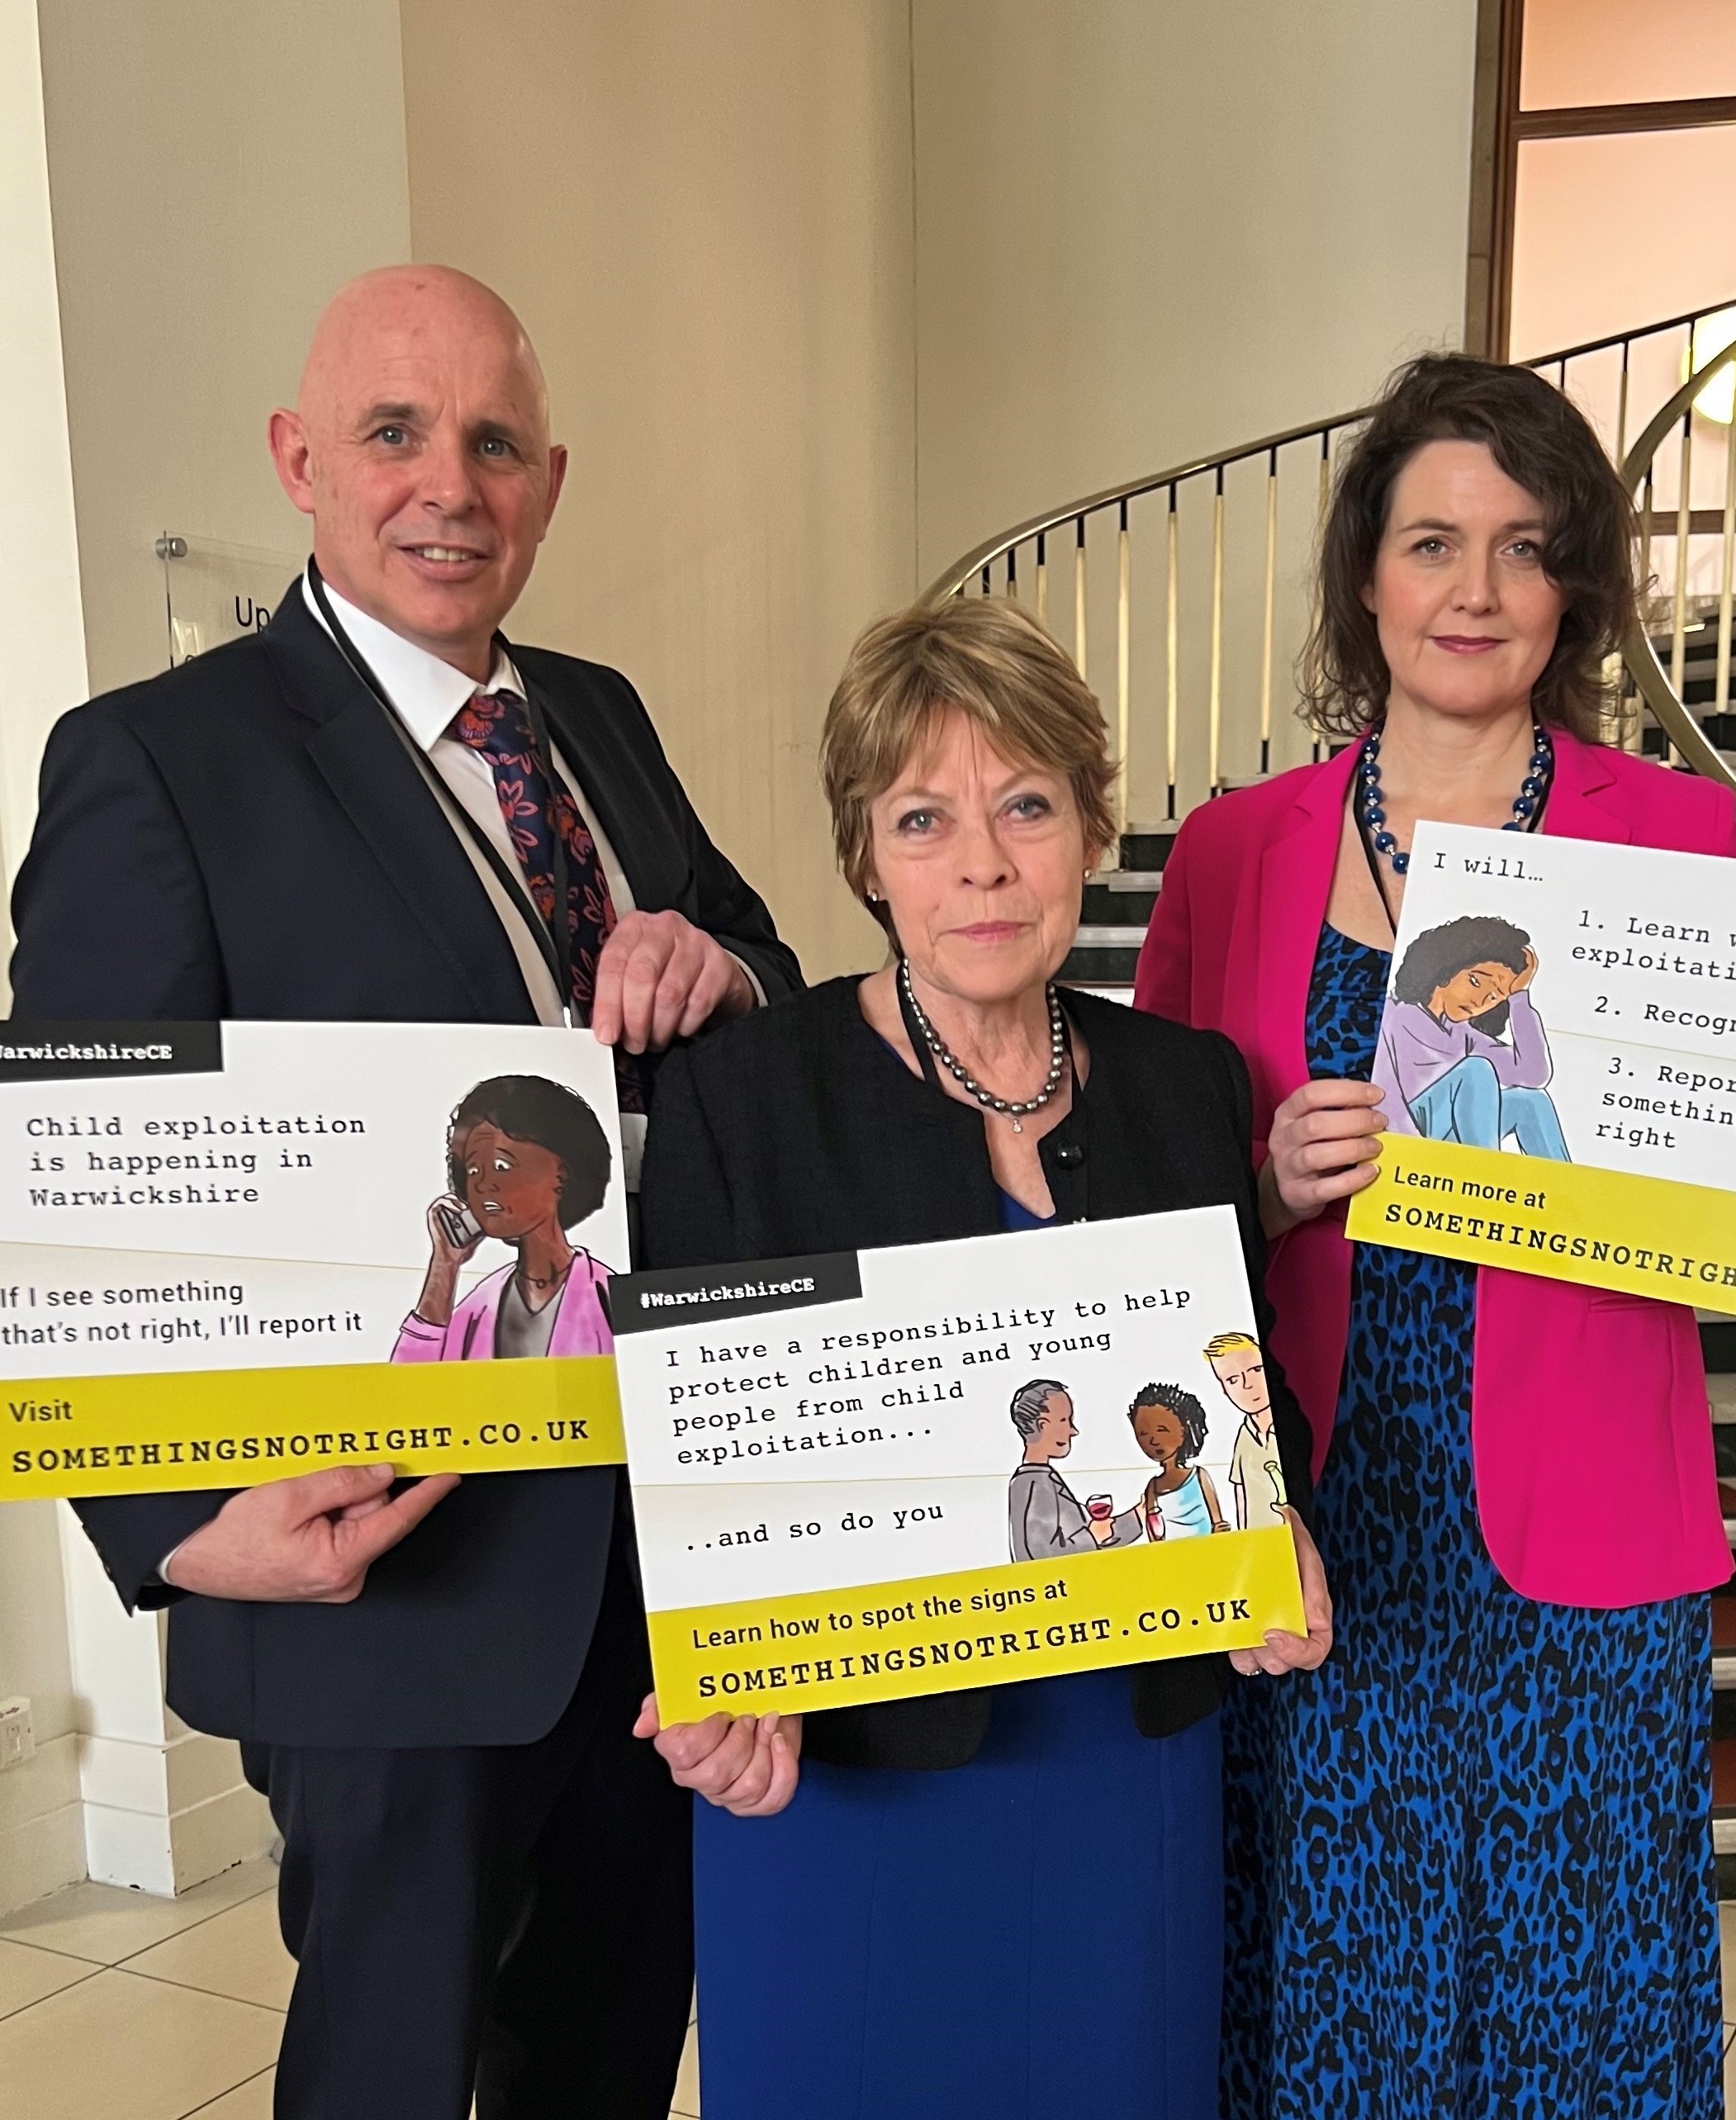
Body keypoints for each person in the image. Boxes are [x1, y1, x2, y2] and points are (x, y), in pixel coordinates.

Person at [1133, 352, 1736, 2120]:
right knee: (1338, 1974)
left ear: (1576, 586)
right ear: (1364, 575)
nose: (1472, 589)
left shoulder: (1678, 830)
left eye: (1523, 544)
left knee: (1577, 1993)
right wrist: (1259, 1180)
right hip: (1318, 1527)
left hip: (1583, 1529)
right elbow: (1144, 1202)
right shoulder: (1233, 852)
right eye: (1430, 541)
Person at [7, 264, 800, 2120]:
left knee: (606, 2047)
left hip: (657, 1552)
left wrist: (720, 961)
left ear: (550, 480)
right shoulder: (158, 758)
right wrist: (168, 1518)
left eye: (495, 441)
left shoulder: (594, 717)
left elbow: (754, 956)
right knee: (386, 2067)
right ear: (300, 459)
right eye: (395, 432)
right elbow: (82, 1171)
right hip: (389, 1566)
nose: (451, 481)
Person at [633, 596, 1332, 2120]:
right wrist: (707, 1673)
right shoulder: (743, 1097)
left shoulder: (1183, 1082)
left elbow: (1243, 1384)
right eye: (922, 818)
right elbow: (687, 1457)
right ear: (863, 854)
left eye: (1025, 805)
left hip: (1117, 1758)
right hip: (843, 1764)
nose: (982, 864)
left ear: (1087, 821)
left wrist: (1277, 1538)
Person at [396, 1074, 619, 1360]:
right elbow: (411, 1390)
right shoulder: (479, 1308)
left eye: (502, 1165)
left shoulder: (605, 1295)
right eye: (474, 1170)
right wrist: (445, 1263)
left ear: (561, 1173)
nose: (483, 1183)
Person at [1377, 914, 1568, 1157]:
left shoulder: (1464, 1034)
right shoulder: (1395, 1014)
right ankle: (1486, 1174)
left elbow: (1532, 1075)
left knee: (1531, 1102)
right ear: (1448, 968)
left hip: (1446, 1135)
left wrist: (1519, 996)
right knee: (1476, 1070)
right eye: (1475, 981)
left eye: (1494, 998)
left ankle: (1563, 1191)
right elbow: (1385, 1098)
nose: (1478, 1002)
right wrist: (1411, 1157)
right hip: (1407, 1140)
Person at [1007, 1376, 1143, 1560]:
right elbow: (1043, 1553)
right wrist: (1093, 1537)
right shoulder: (1034, 1483)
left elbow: (1095, 1536)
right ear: (1043, 1425)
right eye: (1065, 1420)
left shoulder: (1044, 1479)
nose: (1073, 1430)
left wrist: (1139, 1516)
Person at [1206, 1330, 1284, 1530]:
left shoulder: (1290, 1428)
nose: (1248, 1385)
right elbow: (1240, 1492)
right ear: (1224, 1389)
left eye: (1256, 1370)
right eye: (1233, 1380)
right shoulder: (1244, 1435)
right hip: (1257, 1542)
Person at [1129, 1383, 1227, 1539]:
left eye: (1162, 1430)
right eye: (1143, 1433)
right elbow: (1154, 1533)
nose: (1153, 1440)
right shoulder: (1153, 1487)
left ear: (1183, 1431)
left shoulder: (1199, 1476)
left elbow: (1218, 1523)